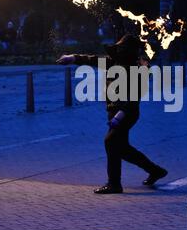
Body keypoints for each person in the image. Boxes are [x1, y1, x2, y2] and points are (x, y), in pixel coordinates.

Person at [56, 34, 168, 194]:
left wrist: (120, 115)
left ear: (131, 51)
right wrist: (72, 58)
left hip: (127, 113)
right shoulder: (113, 62)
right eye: (119, 47)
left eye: (124, 48)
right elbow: (91, 60)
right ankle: (155, 171)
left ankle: (114, 184)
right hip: (113, 111)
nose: (120, 50)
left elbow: (134, 96)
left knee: (110, 142)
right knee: (121, 148)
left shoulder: (138, 69)